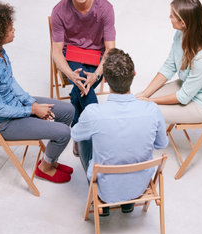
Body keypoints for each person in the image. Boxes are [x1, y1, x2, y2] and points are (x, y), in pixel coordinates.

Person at [0, 1, 75, 184]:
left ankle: (50, 160)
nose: (14, 30)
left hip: (17, 106)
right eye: (10, 29)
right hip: (5, 123)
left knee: (69, 112)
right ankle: (45, 168)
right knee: (64, 132)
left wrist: (30, 102)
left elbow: (11, 82)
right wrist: (32, 110)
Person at [71, 48, 168, 215]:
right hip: (139, 186)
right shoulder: (152, 110)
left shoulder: (94, 113)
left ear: (106, 80)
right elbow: (161, 144)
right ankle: (127, 204)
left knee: (85, 136)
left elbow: (76, 135)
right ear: (134, 73)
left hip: (105, 189)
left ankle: (103, 205)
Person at [51, 0, 116, 157]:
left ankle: (79, 134)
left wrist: (96, 74)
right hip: (72, 55)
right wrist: (70, 74)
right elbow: (56, 52)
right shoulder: (59, 11)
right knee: (81, 85)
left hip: (98, 56)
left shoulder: (105, 8)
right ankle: (98, 134)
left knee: (78, 92)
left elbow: (110, 49)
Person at [137, 0, 202, 124]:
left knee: (145, 109)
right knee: (136, 100)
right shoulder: (180, 34)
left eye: (172, 15)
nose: (170, 18)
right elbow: (169, 67)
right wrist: (145, 94)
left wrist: (150, 101)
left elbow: (183, 97)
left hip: (201, 104)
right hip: (188, 86)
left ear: (183, 23)